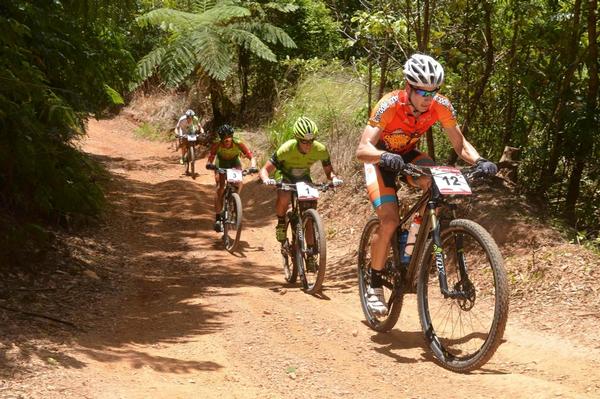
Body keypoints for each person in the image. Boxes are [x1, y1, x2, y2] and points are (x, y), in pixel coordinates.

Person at [355, 53, 498, 316]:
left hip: (408, 155)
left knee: (436, 184)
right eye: (422, 91)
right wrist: (384, 156)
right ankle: (374, 283)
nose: (427, 98)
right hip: (378, 158)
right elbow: (362, 149)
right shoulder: (388, 105)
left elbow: (460, 143)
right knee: (388, 220)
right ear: (408, 87)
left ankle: (409, 244)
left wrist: (480, 160)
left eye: (433, 92)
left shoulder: (440, 105)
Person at [259, 116, 343, 270]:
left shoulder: (321, 149)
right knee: (284, 194)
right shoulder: (286, 148)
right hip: (284, 174)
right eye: (304, 142)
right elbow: (265, 169)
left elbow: (329, 172)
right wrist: (266, 179)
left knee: (309, 213)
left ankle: (310, 254)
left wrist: (334, 179)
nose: (308, 145)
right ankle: (281, 222)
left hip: (303, 176)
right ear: (297, 139)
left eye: (311, 141)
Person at [206, 124, 257, 232]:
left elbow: (251, 156)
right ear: (221, 138)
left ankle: (234, 198)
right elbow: (211, 157)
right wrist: (209, 164)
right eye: (224, 138)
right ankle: (218, 217)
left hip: (234, 162)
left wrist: (253, 166)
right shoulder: (217, 144)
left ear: (232, 137)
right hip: (221, 163)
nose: (227, 140)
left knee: (239, 182)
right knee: (220, 187)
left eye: (229, 137)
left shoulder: (238, 143)